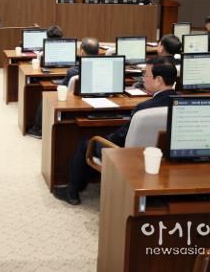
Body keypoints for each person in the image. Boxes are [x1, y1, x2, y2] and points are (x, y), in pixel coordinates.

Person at [54, 57, 177, 205]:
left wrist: (105, 137)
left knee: (87, 143)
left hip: (128, 157)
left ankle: (72, 191)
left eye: (146, 74)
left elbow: (119, 138)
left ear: (158, 80)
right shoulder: (182, 104)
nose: (143, 78)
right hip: (162, 158)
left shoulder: (144, 108)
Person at [27, 37, 100, 138]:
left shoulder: (73, 71)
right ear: (98, 51)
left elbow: (63, 89)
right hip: (96, 104)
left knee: (46, 96)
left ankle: (38, 129)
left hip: (74, 106)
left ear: (82, 52)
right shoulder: (103, 66)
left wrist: (55, 83)